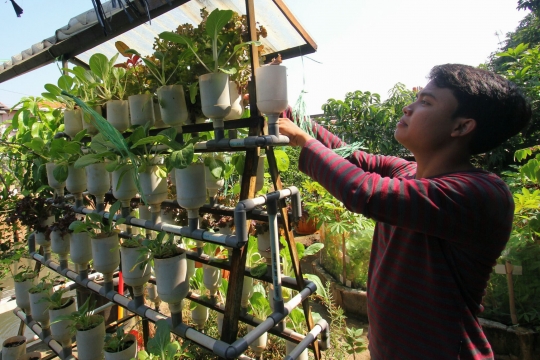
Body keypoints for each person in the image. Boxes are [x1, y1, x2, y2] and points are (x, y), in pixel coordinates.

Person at [278, 64, 531, 360]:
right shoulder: (408, 171)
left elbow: (366, 191)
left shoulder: (480, 193)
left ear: (461, 126)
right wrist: (285, 112)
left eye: (426, 102)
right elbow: (349, 156)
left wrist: (304, 140)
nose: (409, 107)